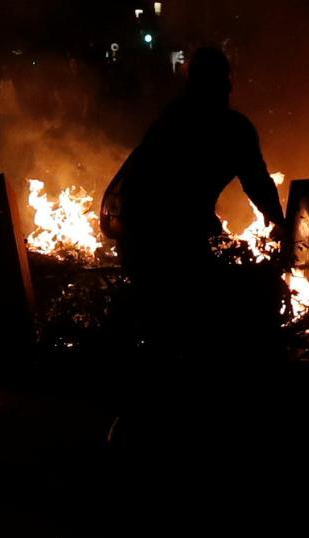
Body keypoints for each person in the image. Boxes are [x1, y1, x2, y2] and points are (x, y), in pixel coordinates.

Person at [101, 47, 286, 339]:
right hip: (162, 234)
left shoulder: (173, 117)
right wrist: (281, 224)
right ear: (226, 82)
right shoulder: (230, 127)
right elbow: (257, 183)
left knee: (164, 316)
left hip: (136, 231)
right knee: (194, 316)